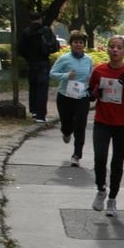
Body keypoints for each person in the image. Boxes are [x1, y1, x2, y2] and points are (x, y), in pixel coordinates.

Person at [88, 36, 124, 217]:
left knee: (117, 162)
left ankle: (112, 198)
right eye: (112, 47)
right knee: (100, 157)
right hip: (102, 121)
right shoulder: (99, 71)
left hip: (122, 123)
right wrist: (95, 93)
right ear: (107, 50)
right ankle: (101, 189)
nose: (115, 50)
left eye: (119, 47)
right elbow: (89, 94)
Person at [49, 30, 93, 167]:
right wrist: (66, 75)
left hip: (82, 96)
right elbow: (52, 73)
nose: (78, 45)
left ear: (84, 44)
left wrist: (91, 87)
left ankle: (77, 154)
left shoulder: (89, 60)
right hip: (65, 96)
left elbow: (91, 76)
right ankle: (66, 132)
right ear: (71, 44)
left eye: (80, 42)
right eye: (75, 42)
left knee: (80, 124)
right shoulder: (64, 58)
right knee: (67, 122)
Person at [18, 11, 60, 122]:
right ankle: (41, 115)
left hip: (31, 63)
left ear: (30, 19)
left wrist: (28, 57)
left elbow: (21, 49)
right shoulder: (46, 30)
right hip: (43, 62)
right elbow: (55, 46)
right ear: (41, 19)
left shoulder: (26, 32)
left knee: (33, 87)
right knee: (42, 88)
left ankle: (34, 111)